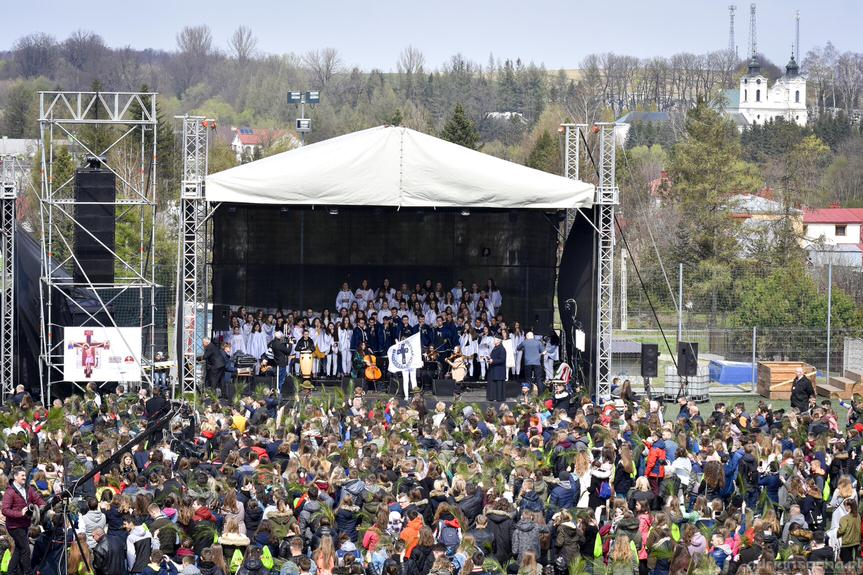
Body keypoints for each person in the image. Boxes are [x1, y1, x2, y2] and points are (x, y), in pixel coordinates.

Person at [3, 467, 46, 575]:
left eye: (25, 475)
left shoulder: (28, 489)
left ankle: (10, 572)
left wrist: (43, 505)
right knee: (25, 549)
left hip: (25, 524)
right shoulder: (10, 492)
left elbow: (37, 499)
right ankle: (27, 572)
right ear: (15, 476)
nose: (24, 477)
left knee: (18, 549)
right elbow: (5, 510)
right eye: (22, 475)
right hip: (14, 526)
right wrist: (20, 513)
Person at [268, 331, 292, 395]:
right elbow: (288, 351)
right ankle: (279, 393)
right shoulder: (279, 344)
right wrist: (290, 343)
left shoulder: (273, 342)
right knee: (281, 380)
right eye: (281, 337)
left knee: (279, 379)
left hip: (276, 362)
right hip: (281, 363)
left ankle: (277, 391)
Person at [486, 336, 507, 403]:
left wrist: (493, 361)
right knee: (493, 384)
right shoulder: (495, 348)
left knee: (498, 384)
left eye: (495, 339)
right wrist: (489, 358)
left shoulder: (502, 349)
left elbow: (502, 360)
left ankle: (498, 398)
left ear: (499, 341)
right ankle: (492, 397)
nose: (493, 341)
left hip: (499, 370)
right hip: (494, 369)